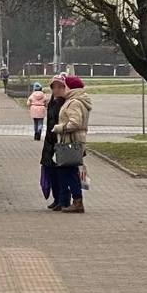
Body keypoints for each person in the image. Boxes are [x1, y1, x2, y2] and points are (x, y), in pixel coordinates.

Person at [52, 75, 91, 214]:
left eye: (65, 85)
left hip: (72, 140)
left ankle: (77, 201)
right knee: (68, 171)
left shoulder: (74, 102)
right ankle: (74, 200)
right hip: (73, 139)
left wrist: (59, 128)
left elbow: (75, 122)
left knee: (70, 171)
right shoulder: (75, 101)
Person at [41, 75, 66, 210]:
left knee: (60, 172)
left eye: (59, 87)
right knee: (49, 169)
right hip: (49, 141)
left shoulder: (65, 103)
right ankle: (56, 198)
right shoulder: (52, 102)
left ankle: (62, 199)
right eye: (54, 87)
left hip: (59, 141)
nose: (56, 90)